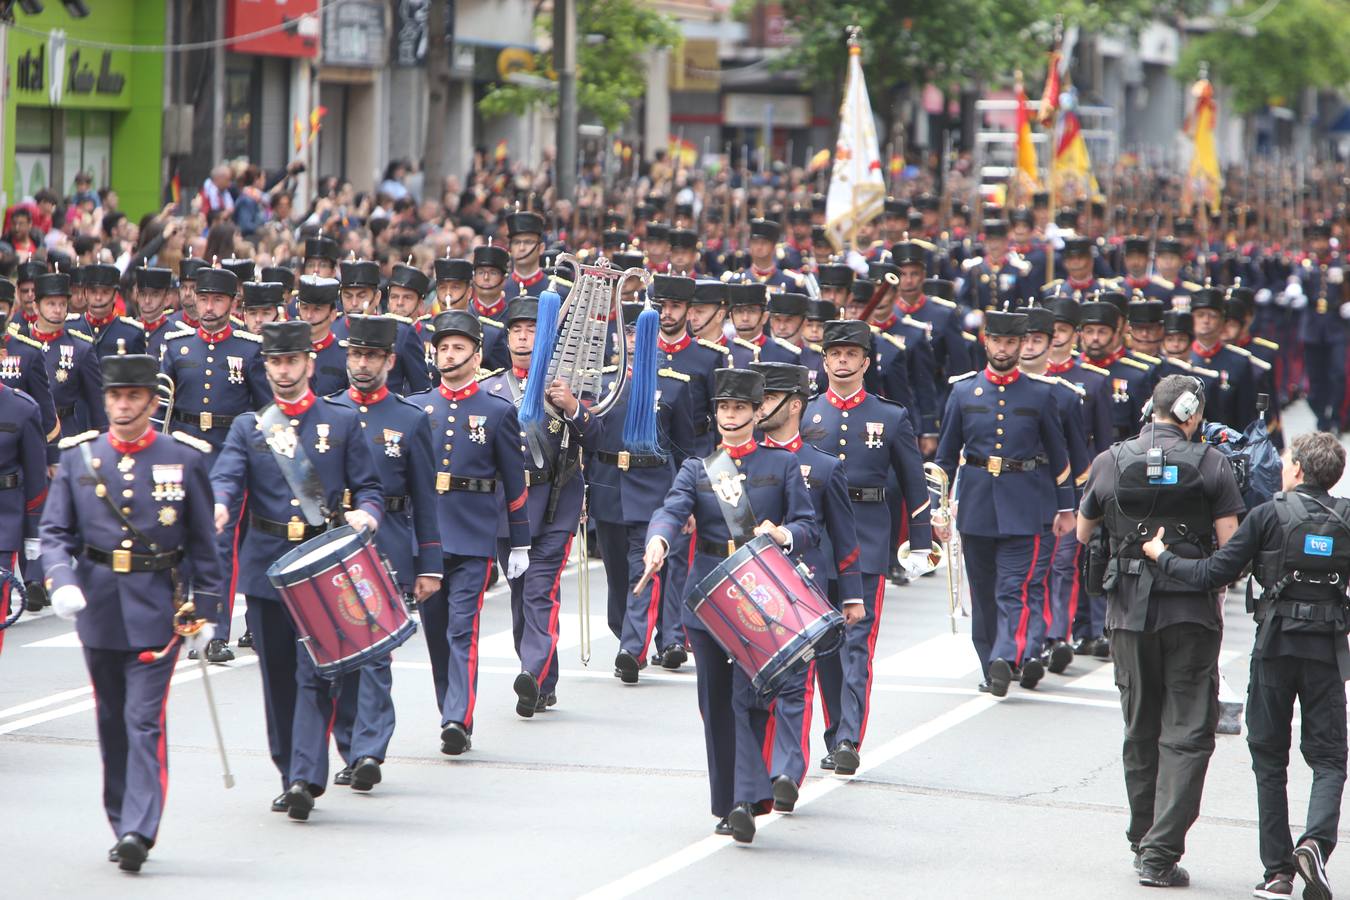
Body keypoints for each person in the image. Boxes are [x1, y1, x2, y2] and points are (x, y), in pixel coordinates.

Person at [1142, 431, 1348, 900]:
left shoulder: (1268, 515)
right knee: (1329, 757)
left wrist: (1162, 556)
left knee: (1269, 759)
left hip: (1275, 648)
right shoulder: (1348, 518)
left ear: (1296, 470)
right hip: (1327, 652)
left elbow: (1214, 574)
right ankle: (1315, 841)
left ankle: (1278, 872)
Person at [39, 354, 223, 871]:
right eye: (116, 396)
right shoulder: (81, 457)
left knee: (143, 720)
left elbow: (204, 546)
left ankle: (140, 828)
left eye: (133, 397)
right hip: (96, 603)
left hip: (156, 605)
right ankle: (121, 818)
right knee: (111, 719)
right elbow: (55, 532)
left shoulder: (183, 459)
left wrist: (205, 613)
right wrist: (61, 579)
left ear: (152, 401)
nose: (122, 405)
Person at [209, 319, 384, 821]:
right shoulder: (251, 426)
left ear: (309, 362)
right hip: (268, 567)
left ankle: (307, 775)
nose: (283, 371)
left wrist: (367, 513)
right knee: (278, 679)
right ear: (265, 366)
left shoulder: (342, 421)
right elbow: (227, 476)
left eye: (291, 361)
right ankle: (289, 771)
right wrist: (220, 505)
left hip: (321, 567)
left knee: (316, 676)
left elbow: (369, 486)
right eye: (274, 362)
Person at [1076, 374, 1246, 888]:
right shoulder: (1212, 462)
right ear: (1192, 412)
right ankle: (1160, 852)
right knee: (1189, 733)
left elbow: (1083, 533)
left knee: (1139, 725)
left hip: (1128, 614)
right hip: (1190, 612)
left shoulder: (1111, 459)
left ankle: (1141, 834)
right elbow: (1231, 550)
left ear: (1151, 408)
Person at [643, 367, 818, 843]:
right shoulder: (698, 469)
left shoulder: (781, 466)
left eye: (740, 407)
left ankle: (745, 799)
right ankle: (729, 800)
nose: (731, 415)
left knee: (747, 698)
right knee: (715, 703)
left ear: (758, 412)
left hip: (760, 596)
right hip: (708, 597)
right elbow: (671, 510)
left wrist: (781, 533)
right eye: (724, 407)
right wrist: (658, 540)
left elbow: (808, 525)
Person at [802, 319, 932, 773]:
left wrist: (920, 543)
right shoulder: (806, 412)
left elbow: (915, 484)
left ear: (866, 362)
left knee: (858, 641)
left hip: (868, 536)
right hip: (817, 539)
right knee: (824, 643)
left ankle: (849, 739)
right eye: (834, 354)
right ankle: (835, 728)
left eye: (851, 355)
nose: (842, 361)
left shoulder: (890, 415)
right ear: (824, 360)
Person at [326, 315, 441, 792]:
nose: (362, 364)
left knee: (375, 655)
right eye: (355, 354)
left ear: (390, 361)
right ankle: (351, 744)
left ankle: (371, 749)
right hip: (332, 548)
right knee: (337, 659)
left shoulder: (410, 419)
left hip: (388, 544)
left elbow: (425, 497)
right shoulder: (327, 413)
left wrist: (429, 564)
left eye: (372, 356)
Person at [408, 311, 530, 754]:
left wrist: (519, 541)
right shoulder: (419, 407)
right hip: (428, 539)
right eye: (443, 347)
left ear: (477, 355)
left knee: (462, 629)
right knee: (436, 631)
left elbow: (514, 483)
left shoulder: (497, 412)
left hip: (474, 534)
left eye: (459, 347)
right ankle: (450, 709)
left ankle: (458, 717)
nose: (449, 354)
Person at [936, 310, 1076, 696]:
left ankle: (1005, 655)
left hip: (1026, 503)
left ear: (1019, 345)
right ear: (986, 341)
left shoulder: (1041, 393)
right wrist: (938, 508)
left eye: (1011, 342)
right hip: (977, 502)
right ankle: (990, 666)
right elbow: (946, 457)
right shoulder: (963, 392)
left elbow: (1059, 456)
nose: (1003, 348)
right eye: (997, 341)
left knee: (1012, 587)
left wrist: (1066, 509)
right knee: (982, 594)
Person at [479, 296, 598, 713]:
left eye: (532, 330)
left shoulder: (563, 385)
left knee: (538, 590)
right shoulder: (490, 389)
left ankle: (530, 671)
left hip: (555, 505)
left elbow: (595, 439)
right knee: (519, 594)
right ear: (507, 338)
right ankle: (543, 678)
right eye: (516, 330)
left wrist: (573, 409)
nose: (524, 337)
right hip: (507, 510)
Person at [752, 360, 862, 809]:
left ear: (794, 404)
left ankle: (786, 771)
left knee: (798, 682)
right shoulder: (740, 461)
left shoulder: (823, 465)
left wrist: (852, 594)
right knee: (758, 689)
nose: (758, 409)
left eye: (767, 400)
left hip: (807, 589)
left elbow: (844, 536)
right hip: (754, 588)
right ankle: (757, 772)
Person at [591, 303, 696, 680]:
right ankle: (626, 632)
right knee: (617, 572)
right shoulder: (599, 381)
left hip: (652, 487)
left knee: (644, 564)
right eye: (628, 332)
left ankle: (632, 648)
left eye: (640, 331)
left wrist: (690, 502)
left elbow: (686, 449)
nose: (634, 340)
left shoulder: (672, 384)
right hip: (607, 485)